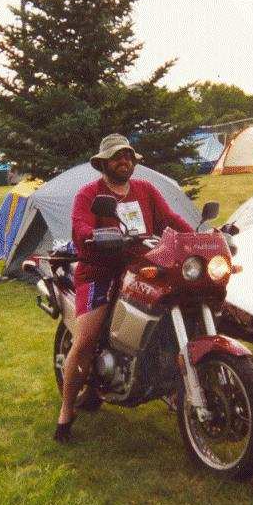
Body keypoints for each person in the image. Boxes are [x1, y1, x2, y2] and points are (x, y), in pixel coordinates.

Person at [54, 133, 193, 442]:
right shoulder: (90, 193)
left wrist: (198, 235)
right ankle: (66, 410)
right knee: (86, 338)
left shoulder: (145, 189)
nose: (124, 161)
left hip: (140, 266)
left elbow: (169, 219)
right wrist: (95, 235)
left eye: (128, 155)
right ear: (103, 163)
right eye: (117, 156)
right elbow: (79, 226)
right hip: (99, 270)